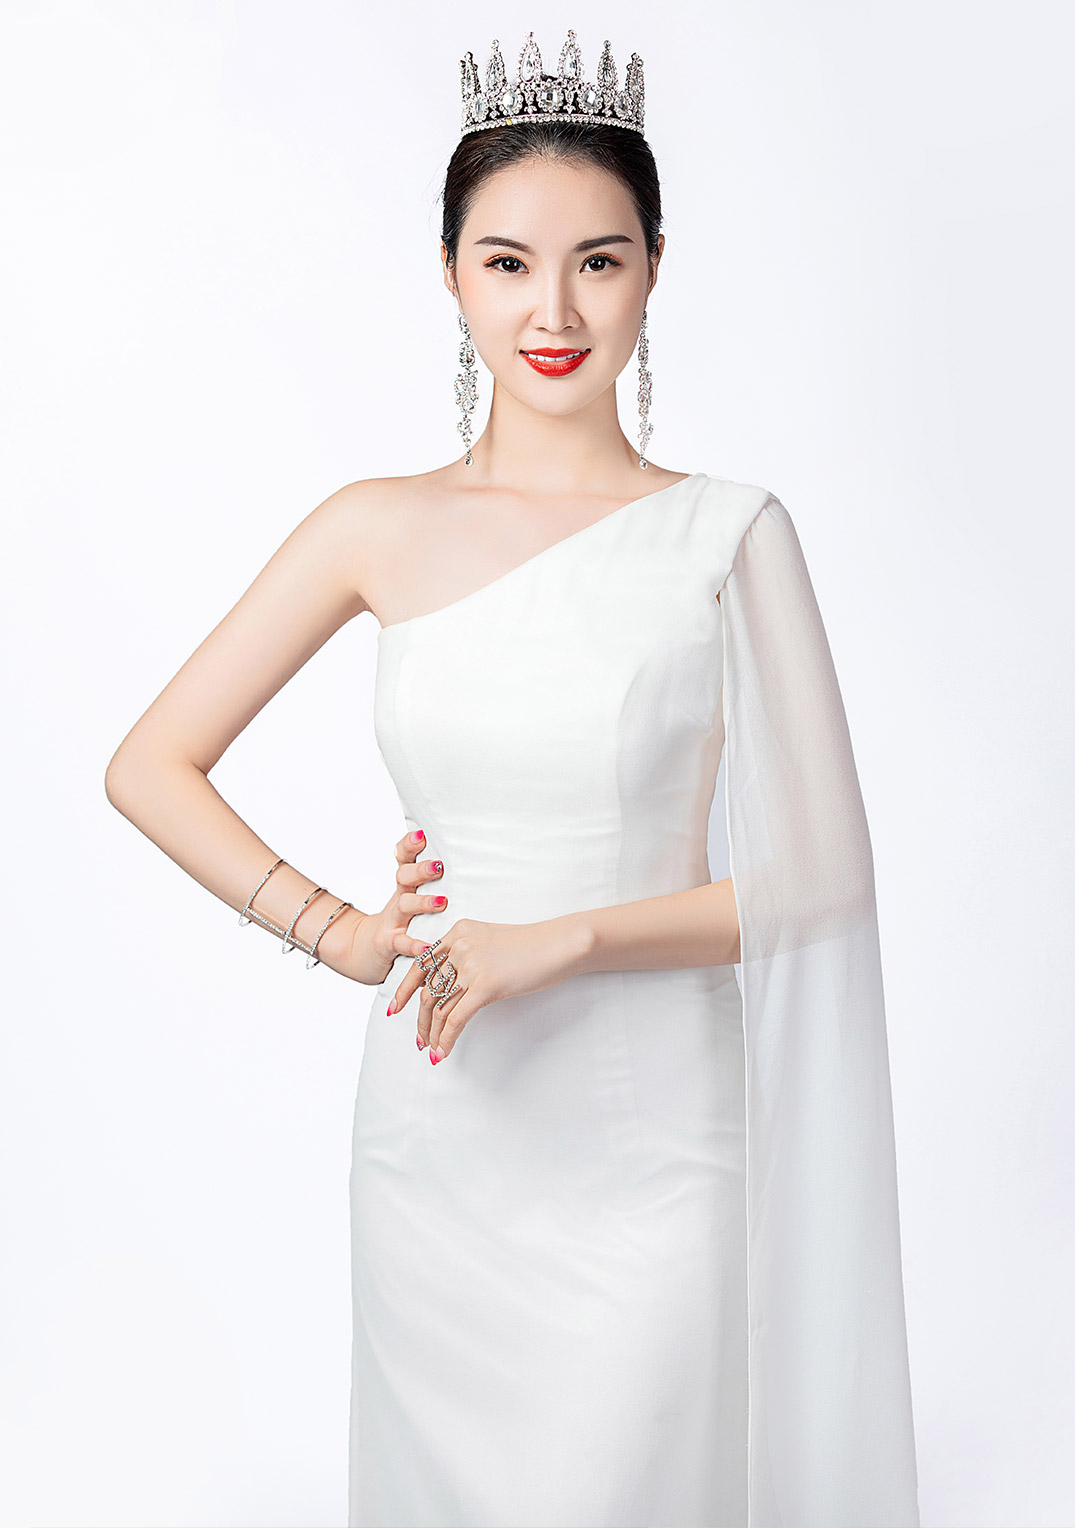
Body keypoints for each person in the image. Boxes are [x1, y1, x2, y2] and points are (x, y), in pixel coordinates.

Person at [105, 28, 921, 1528]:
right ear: (450, 275)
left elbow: (820, 880)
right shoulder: (373, 526)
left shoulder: (731, 533)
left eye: (598, 262)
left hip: (661, 1138)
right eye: (508, 264)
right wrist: (337, 932)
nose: (554, 311)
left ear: (654, 271)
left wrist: (568, 938)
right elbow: (150, 765)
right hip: (443, 1139)